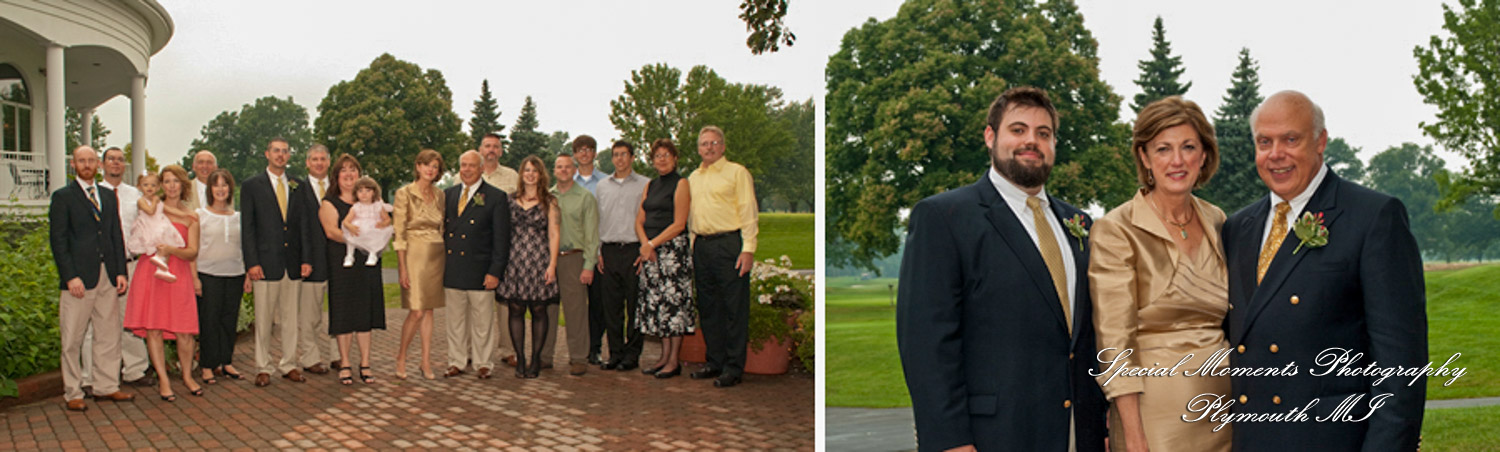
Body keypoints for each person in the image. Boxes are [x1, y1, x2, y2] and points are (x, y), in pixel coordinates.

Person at [896, 87, 1107, 451]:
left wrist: (1102, 424)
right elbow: (926, 343)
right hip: (993, 436)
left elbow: (1088, 337)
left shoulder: (1079, 223)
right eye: (1018, 129)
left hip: (1077, 433)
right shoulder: (944, 217)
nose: (1032, 141)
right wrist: (949, 441)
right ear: (990, 137)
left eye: (1044, 133)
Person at [1223, 90, 1427, 451]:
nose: (1276, 154)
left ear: (1320, 142)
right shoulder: (1238, 228)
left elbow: (1401, 371)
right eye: (1264, 142)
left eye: (1291, 139)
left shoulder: (1373, 217)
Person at [1088, 96, 1230, 451]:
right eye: (1163, 149)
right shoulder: (1116, 229)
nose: (1177, 160)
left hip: (1225, 415)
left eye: (1188, 147)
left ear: (1204, 155)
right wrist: (1134, 437)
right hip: (1154, 423)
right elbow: (1114, 342)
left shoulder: (1219, 221)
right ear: (1145, 157)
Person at [49, 146, 136, 411]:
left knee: (108, 334)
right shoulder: (63, 197)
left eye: (90, 160)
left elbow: (115, 236)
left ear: (98, 164)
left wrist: (120, 271)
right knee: (73, 337)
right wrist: (70, 276)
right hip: (79, 279)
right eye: (81, 161)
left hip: (107, 275)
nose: (86, 164)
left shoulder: (108, 196)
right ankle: (73, 391)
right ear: (73, 165)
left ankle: (106, 386)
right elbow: (58, 240)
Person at [687, 126, 760, 389]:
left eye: (714, 143)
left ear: (723, 146)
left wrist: (748, 248)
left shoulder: (737, 173)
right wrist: (692, 250)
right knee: (709, 309)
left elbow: (748, 210)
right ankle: (714, 361)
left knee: (733, 309)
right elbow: (692, 217)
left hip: (729, 243)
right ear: (698, 148)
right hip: (702, 246)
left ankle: (733, 367)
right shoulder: (693, 178)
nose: (709, 147)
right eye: (704, 143)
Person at [123, 164, 202, 402]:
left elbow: (192, 252)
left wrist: (172, 249)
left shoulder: (192, 217)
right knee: (154, 329)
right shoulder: (152, 208)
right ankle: (164, 381)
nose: (171, 186)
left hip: (179, 274)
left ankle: (187, 376)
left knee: (184, 330)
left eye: (176, 181)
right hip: (152, 272)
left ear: (183, 184)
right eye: (166, 181)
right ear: (160, 185)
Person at [240, 137, 313, 387]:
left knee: (291, 318)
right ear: (267, 154)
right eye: (276, 151)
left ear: (289, 156)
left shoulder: (298, 185)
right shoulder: (251, 186)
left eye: (285, 151)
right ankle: (263, 366)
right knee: (263, 319)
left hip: (292, 263)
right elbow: (247, 228)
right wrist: (251, 263)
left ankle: (289, 364)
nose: (281, 155)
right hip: (264, 263)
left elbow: (304, 224)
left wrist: (306, 258)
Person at [86, 146, 153, 391]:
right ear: (101, 165)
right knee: (95, 324)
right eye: (111, 159)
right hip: (101, 266)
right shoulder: (93, 193)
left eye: (120, 160)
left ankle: (135, 370)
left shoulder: (134, 194)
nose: (116, 163)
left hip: (130, 264)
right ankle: (90, 377)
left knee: (130, 319)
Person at [319, 155, 388, 385]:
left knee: (365, 313)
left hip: (368, 265)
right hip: (343, 264)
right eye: (344, 170)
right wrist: (366, 241)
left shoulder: (372, 203)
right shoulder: (329, 203)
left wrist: (380, 234)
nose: (349, 174)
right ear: (336, 176)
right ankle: (345, 363)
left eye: (353, 170)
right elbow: (331, 232)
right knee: (344, 313)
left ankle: (365, 363)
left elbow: (385, 224)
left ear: (360, 175)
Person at [443, 150, 512, 379]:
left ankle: (483, 363)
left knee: (482, 322)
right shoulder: (449, 194)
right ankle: (457, 361)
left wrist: (495, 271)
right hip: (453, 269)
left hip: (481, 270)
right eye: (463, 165)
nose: (467, 169)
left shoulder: (495, 196)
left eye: (472, 165)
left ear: (481, 168)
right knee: (455, 321)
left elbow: (501, 240)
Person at [496, 156, 562, 378]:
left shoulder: (549, 201)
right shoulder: (509, 200)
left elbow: (554, 234)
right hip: (514, 261)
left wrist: (552, 265)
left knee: (539, 310)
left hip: (539, 261)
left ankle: (535, 359)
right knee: (515, 309)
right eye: (527, 170)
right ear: (521, 174)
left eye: (534, 170)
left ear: (540, 174)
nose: (530, 174)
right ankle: (520, 359)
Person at [633, 139, 694, 379]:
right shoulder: (650, 185)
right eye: (658, 156)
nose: (662, 159)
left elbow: (679, 223)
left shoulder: (681, 184)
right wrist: (644, 245)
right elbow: (639, 219)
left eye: (666, 155)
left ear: (675, 158)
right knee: (658, 306)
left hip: (672, 252)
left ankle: (673, 361)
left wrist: (652, 244)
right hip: (651, 251)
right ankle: (663, 357)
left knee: (673, 307)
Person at [595, 140, 651, 371]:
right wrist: (598, 251)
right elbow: (597, 220)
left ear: (632, 157)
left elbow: (649, 220)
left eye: (623, 154)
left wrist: (645, 249)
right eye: (616, 154)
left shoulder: (645, 185)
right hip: (608, 250)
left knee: (635, 306)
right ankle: (615, 353)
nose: (619, 159)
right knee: (612, 307)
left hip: (633, 251)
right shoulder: (602, 186)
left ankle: (632, 354)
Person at [393, 149, 446, 380]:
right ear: (417, 166)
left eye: (435, 166)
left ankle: (425, 362)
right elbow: (399, 232)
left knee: (429, 310)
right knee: (416, 311)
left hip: (436, 254)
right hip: (413, 254)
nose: (430, 170)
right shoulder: (404, 193)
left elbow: (442, 227)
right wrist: (402, 267)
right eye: (426, 165)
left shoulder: (440, 195)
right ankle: (401, 356)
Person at [193, 169, 248, 385]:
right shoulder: (200, 215)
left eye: (225, 185)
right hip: (208, 274)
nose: (221, 189)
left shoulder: (239, 218)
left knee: (228, 320)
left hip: (234, 274)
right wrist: (195, 278)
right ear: (210, 190)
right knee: (209, 321)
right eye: (216, 185)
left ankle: (226, 361)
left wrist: (246, 275)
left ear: (230, 189)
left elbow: (244, 249)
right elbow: (194, 249)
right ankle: (208, 365)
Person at [548, 153, 598, 376]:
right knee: (547, 309)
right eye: (560, 167)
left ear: (575, 170)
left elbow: (592, 235)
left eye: (568, 167)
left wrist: (589, 265)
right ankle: (544, 356)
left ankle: (578, 357)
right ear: (554, 170)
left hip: (574, 258)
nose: (564, 170)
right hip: (550, 259)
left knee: (575, 310)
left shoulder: (585, 197)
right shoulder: (548, 196)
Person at [479, 132, 522, 368]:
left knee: (506, 302)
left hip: (505, 245)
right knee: (477, 303)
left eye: (496, 146)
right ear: (480, 150)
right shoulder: (466, 175)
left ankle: (508, 349)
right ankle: (472, 350)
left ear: (501, 151)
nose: (491, 150)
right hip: (477, 248)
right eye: (487, 146)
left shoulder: (511, 177)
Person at [297, 144, 338, 376]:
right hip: (310, 261)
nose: (319, 163)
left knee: (337, 311)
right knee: (311, 315)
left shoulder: (338, 189)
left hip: (337, 259)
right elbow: (298, 228)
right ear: (307, 163)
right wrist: (305, 258)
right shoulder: (298, 190)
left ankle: (338, 355)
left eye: (323, 159)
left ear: (328, 162)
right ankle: (310, 358)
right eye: (314, 159)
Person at [571, 136, 607, 367]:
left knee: (598, 303)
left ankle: (595, 348)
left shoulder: (605, 183)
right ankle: (579, 350)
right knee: (576, 304)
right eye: (580, 150)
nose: (585, 154)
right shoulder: (567, 182)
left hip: (600, 251)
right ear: (575, 154)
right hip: (574, 251)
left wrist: (599, 250)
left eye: (589, 150)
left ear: (595, 154)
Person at [124, 172, 185, 281]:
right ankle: (159, 263)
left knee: (167, 245)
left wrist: (186, 215)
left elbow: (169, 210)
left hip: (159, 222)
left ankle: (162, 269)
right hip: (148, 225)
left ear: (158, 187)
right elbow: (150, 211)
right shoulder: (141, 200)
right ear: (139, 187)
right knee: (159, 241)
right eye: (146, 185)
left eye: (153, 185)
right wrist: (155, 201)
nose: (149, 188)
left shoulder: (157, 200)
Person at [339, 177, 394, 267]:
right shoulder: (356, 207)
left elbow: (387, 219)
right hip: (359, 229)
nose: (364, 194)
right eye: (360, 191)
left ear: (374, 192)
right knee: (351, 237)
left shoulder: (378, 206)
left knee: (377, 236)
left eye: (368, 191)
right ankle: (349, 255)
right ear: (356, 193)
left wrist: (383, 224)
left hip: (374, 228)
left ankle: (373, 254)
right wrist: (350, 226)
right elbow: (346, 221)